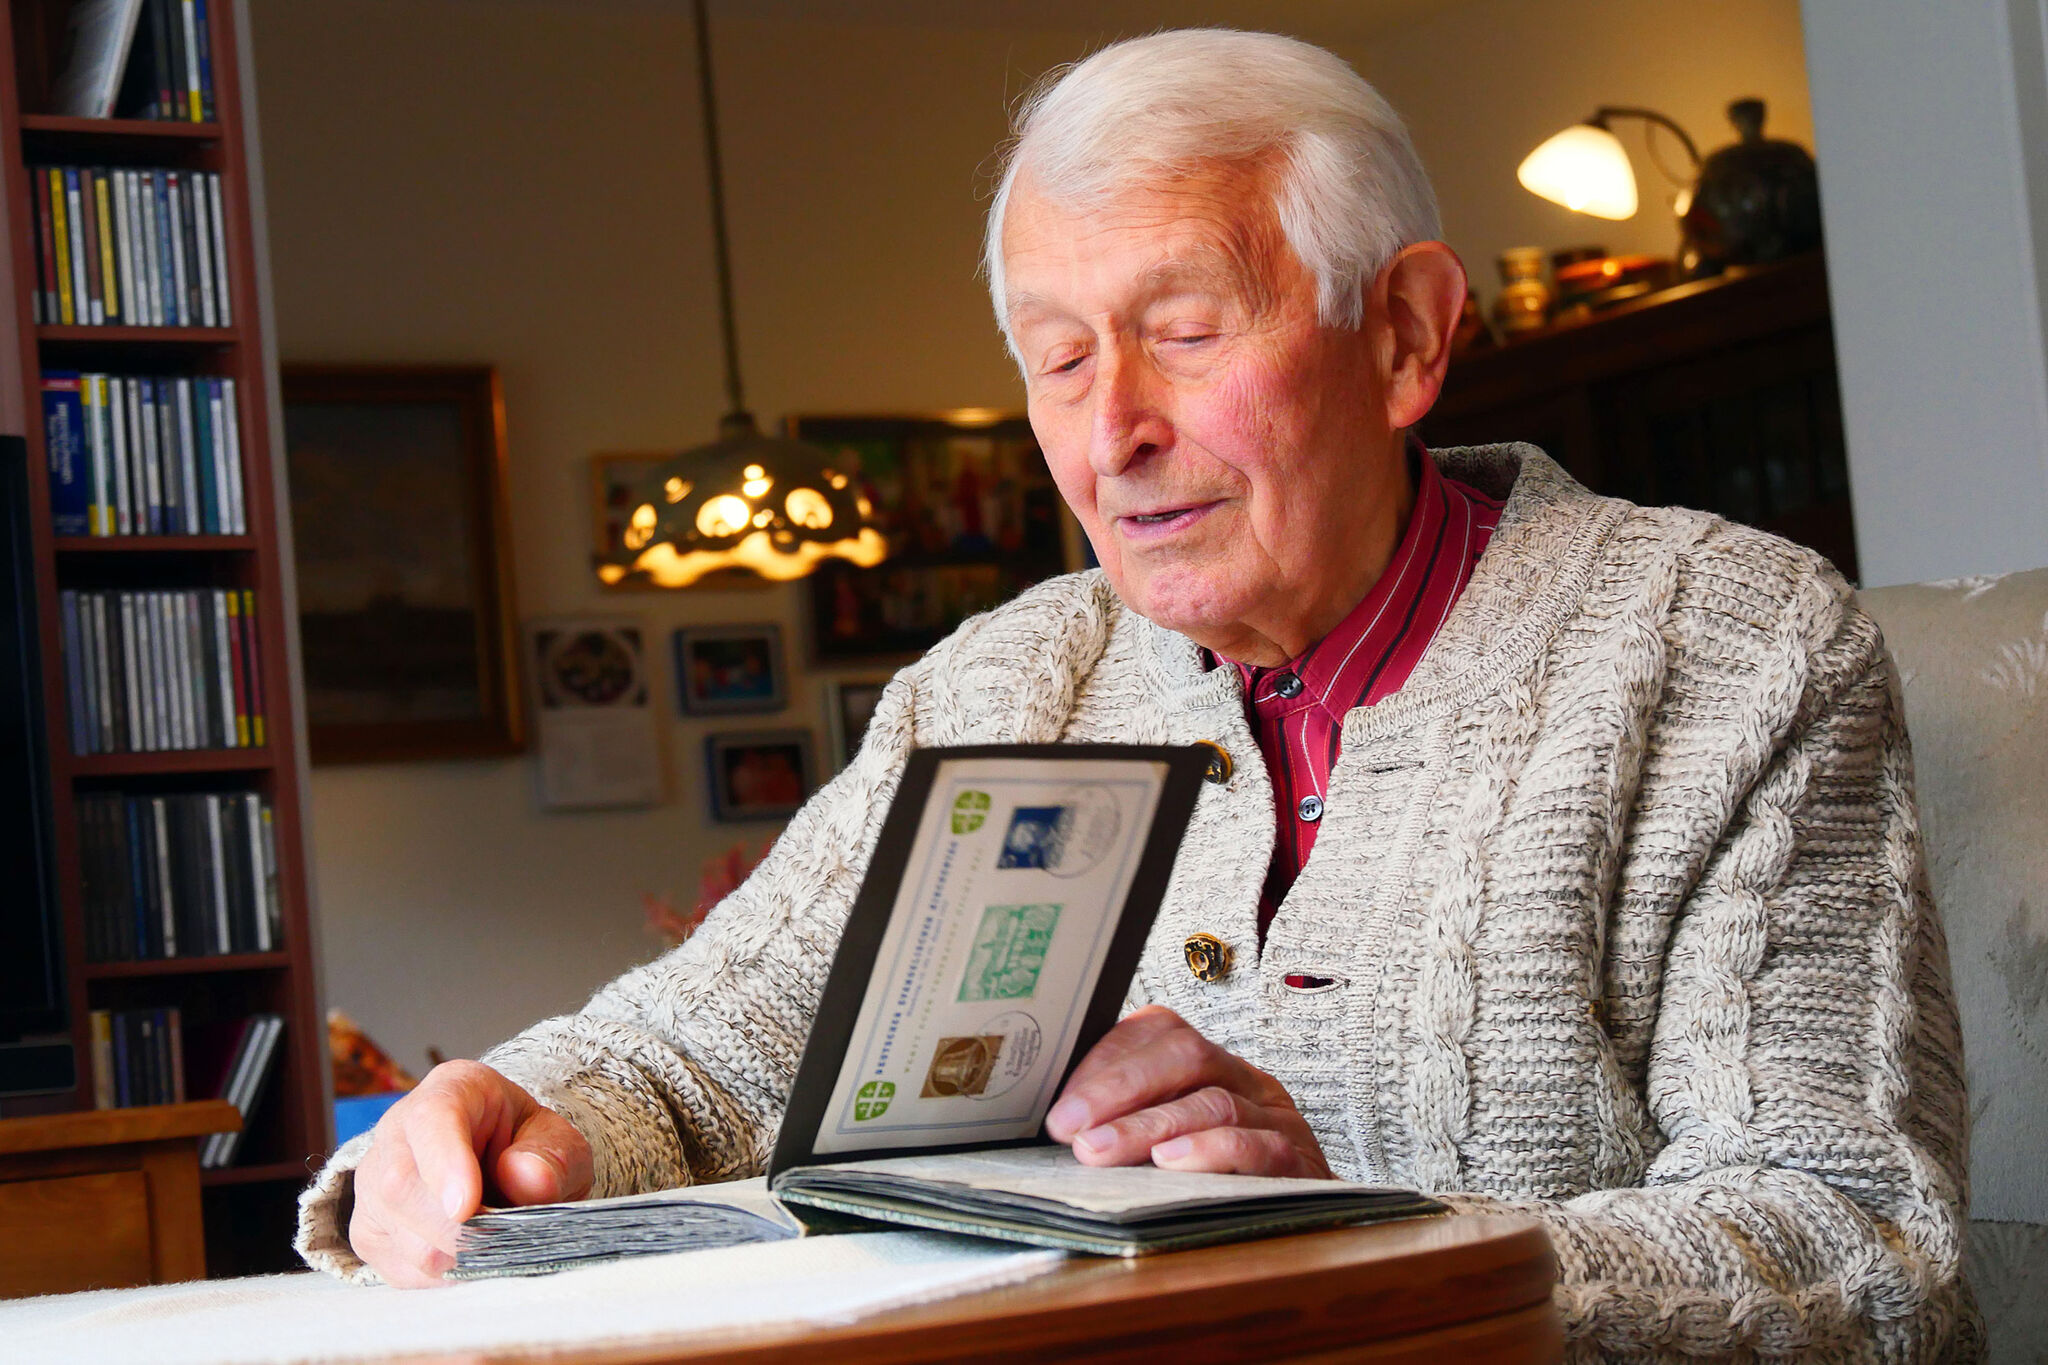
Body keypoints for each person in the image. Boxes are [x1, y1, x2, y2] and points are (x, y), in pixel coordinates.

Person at [297, 30, 1978, 1361]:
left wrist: (1366, 1238)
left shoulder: (1728, 647)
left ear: (1405, 334)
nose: (1113, 435)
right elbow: (700, 1039)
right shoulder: (1012, 673)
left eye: (1181, 331)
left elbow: (1856, 1251)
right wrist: (515, 1119)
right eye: (1058, 356)